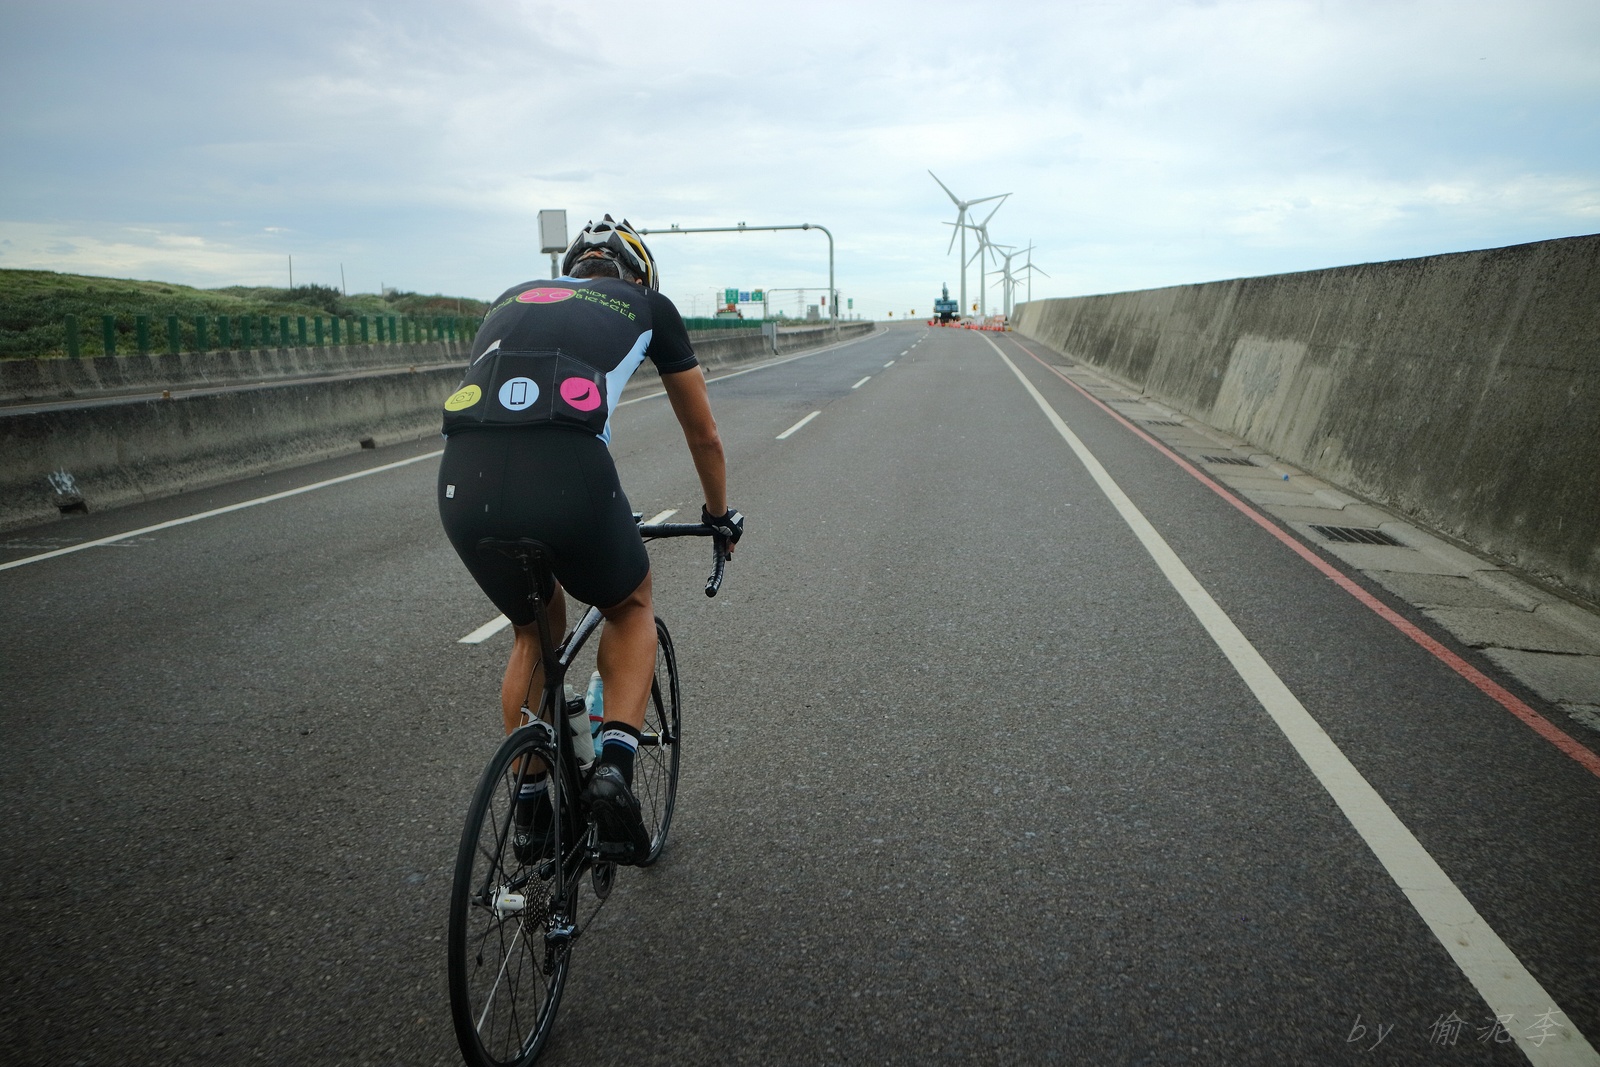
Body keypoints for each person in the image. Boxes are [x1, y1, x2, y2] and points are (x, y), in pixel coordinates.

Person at [437, 215, 744, 863]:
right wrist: (719, 516)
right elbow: (705, 434)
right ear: (639, 275)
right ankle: (614, 774)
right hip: (568, 475)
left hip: (462, 480)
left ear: (572, 269)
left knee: (533, 630)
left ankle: (529, 814)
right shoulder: (648, 305)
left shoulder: (511, 296)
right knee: (629, 604)